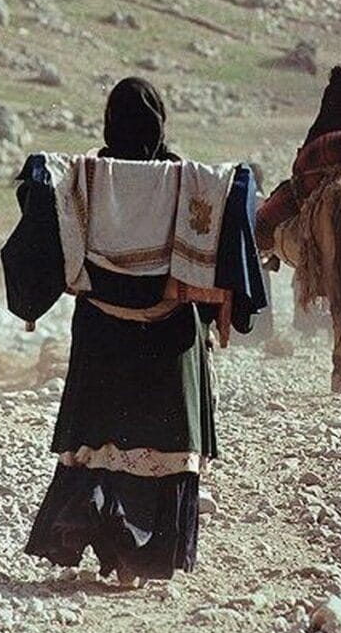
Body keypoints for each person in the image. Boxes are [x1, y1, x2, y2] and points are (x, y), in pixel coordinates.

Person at [17, 78, 221, 587]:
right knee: (160, 447)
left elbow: (42, 223)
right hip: (170, 335)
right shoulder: (190, 180)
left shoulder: (81, 177)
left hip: (102, 332)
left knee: (102, 441)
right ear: (160, 123)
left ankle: (106, 544)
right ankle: (142, 558)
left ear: (110, 121)